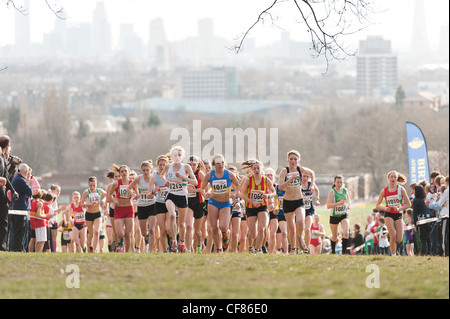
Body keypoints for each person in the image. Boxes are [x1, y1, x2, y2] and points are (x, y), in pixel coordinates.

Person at [161, 146, 198, 252]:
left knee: (182, 223)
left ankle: (182, 242)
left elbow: (195, 182)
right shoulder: (168, 166)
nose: (177, 157)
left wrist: (183, 177)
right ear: (171, 156)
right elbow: (161, 174)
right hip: (171, 195)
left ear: (182, 156)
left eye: (179, 155)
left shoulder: (186, 167)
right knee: (172, 215)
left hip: (182, 196)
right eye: (174, 155)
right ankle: (174, 242)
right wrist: (165, 181)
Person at [278, 150, 316, 254]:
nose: (293, 161)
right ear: (288, 160)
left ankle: (300, 238)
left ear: (298, 161)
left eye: (295, 159)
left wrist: (312, 184)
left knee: (300, 221)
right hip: (288, 202)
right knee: (291, 228)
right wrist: (290, 179)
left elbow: (312, 173)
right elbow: (280, 187)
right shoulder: (284, 171)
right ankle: (293, 249)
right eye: (291, 159)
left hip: (299, 201)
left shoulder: (300, 169)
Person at [201, 154, 239, 253]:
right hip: (213, 202)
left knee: (223, 226)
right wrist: (204, 194)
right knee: (213, 228)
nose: (220, 165)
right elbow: (202, 188)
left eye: (222, 162)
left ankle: (226, 234)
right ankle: (219, 248)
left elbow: (239, 185)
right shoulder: (209, 175)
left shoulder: (229, 174)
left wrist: (234, 193)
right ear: (214, 164)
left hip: (225, 203)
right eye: (218, 163)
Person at [240, 159, 276, 253]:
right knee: (253, 234)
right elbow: (242, 194)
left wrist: (268, 196)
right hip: (250, 207)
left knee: (262, 229)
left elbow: (274, 192)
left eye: (258, 168)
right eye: (254, 168)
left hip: (262, 206)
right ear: (252, 170)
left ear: (261, 169)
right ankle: (252, 247)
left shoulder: (266, 180)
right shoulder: (248, 180)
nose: (256, 170)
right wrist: (251, 201)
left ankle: (256, 249)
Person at [375, 171, 411, 256]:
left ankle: (395, 250)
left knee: (399, 239)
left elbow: (409, 204)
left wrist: (400, 208)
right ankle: (393, 255)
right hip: (388, 214)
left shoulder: (401, 189)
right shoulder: (384, 191)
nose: (393, 179)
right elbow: (377, 205)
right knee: (393, 235)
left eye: (395, 177)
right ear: (388, 179)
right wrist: (384, 208)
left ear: (397, 179)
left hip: (398, 214)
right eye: (391, 177)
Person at [127, 160, 157, 253]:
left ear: (151, 169)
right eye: (144, 170)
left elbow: (160, 188)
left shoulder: (154, 178)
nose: (146, 172)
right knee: (144, 233)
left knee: (151, 229)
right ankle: (146, 237)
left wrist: (155, 193)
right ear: (141, 170)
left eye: (147, 170)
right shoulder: (138, 178)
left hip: (152, 205)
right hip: (142, 206)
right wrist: (134, 194)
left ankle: (150, 250)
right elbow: (128, 188)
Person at [107, 165, 137, 253]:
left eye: (125, 171)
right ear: (120, 173)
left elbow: (137, 193)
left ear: (128, 172)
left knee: (128, 234)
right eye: (122, 171)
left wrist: (135, 196)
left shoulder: (133, 182)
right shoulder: (116, 183)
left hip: (129, 209)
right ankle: (119, 242)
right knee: (120, 234)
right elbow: (109, 195)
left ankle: (126, 252)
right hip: (119, 210)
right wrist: (114, 200)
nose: (124, 173)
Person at [0, 135, 19, 251]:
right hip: (0, 193)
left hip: (2, 192)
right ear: (7, 146)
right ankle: (2, 247)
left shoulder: (2, 158)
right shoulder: (0, 158)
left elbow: (5, 176)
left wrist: (12, 166)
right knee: (3, 222)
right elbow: (4, 178)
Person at [9, 163, 33, 252]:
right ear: (26, 172)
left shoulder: (17, 178)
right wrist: (29, 184)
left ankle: (17, 249)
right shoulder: (20, 180)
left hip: (18, 208)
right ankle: (18, 249)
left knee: (19, 231)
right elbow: (30, 192)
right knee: (20, 232)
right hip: (20, 209)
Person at [186, 156, 206, 253]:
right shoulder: (185, 173)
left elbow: (205, 187)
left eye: (194, 165)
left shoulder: (200, 173)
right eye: (190, 164)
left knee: (197, 230)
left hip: (199, 203)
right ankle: (188, 249)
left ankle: (199, 244)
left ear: (198, 165)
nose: (192, 166)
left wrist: (194, 190)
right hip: (188, 203)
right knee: (189, 226)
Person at [326, 175, 351, 254]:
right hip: (334, 215)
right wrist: (338, 203)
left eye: (341, 182)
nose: (339, 184)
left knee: (346, 233)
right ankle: (333, 252)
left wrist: (348, 205)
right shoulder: (332, 191)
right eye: (338, 182)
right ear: (334, 183)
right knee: (334, 237)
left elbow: (348, 200)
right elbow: (328, 205)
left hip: (344, 214)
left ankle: (344, 253)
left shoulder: (345, 190)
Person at [81, 176, 107, 253]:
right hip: (89, 214)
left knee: (97, 231)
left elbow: (107, 195)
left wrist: (103, 200)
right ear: (88, 185)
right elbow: (82, 204)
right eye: (90, 185)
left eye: (94, 185)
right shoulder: (86, 192)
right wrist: (89, 204)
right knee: (91, 234)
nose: (92, 187)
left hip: (98, 214)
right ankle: (89, 246)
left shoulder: (99, 190)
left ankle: (94, 249)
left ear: (96, 184)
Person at [301, 173, 320, 253]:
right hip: (299, 209)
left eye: (307, 176)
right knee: (300, 230)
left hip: (309, 209)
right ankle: (299, 248)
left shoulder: (311, 184)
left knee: (307, 229)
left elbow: (317, 190)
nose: (305, 178)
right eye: (303, 176)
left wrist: (317, 199)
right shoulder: (298, 185)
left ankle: (306, 249)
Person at [412, 185, 431, 256]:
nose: (413, 192)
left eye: (414, 190)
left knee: (422, 238)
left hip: (421, 221)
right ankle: (429, 251)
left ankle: (424, 253)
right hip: (428, 219)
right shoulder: (424, 199)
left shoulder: (415, 200)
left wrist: (415, 224)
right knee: (428, 238)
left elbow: (415, 213)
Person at [438, 176, 448, 256]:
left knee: (444, 235)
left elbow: (440, 203)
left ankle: (445, 254)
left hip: (445, 215)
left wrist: (444, 203)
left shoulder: (447, 190)